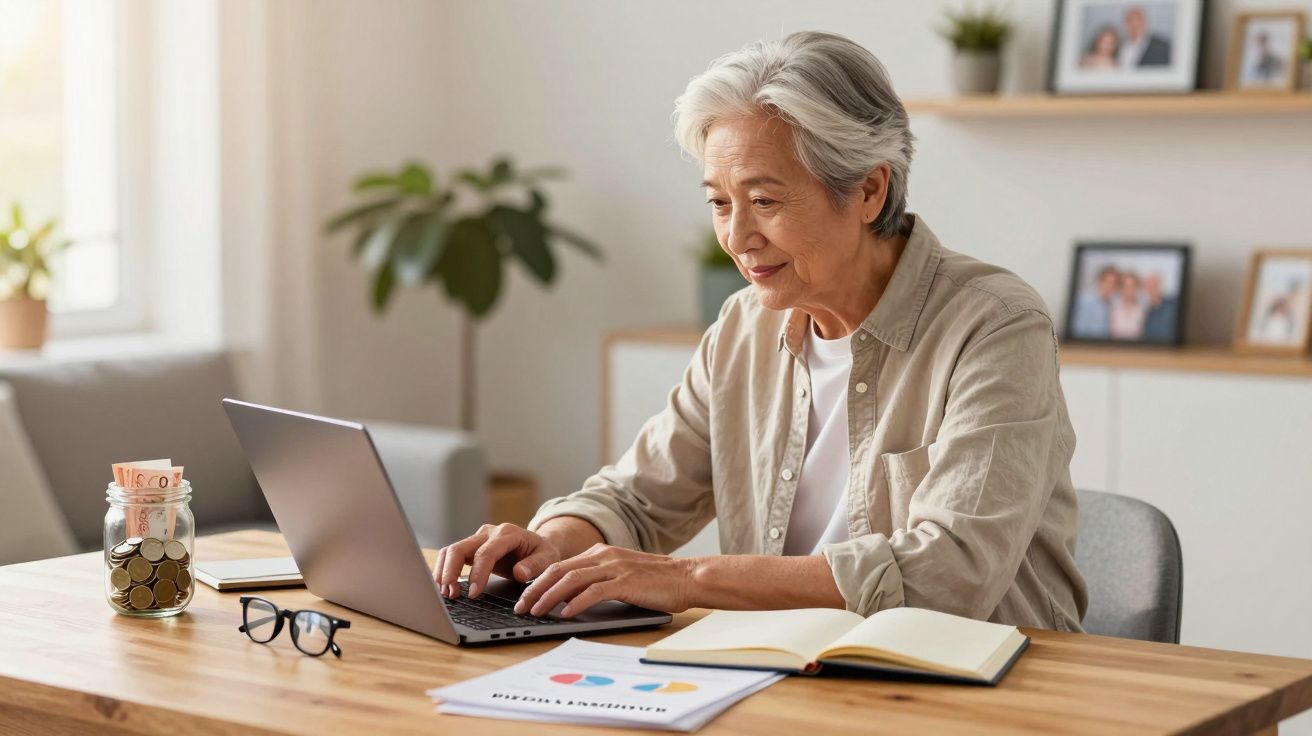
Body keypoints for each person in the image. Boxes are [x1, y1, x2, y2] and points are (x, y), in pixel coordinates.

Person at [434, 31, 1088, 632]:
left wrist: (686, 579)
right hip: (788, 674)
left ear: (867, 191)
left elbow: (951, 572)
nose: (737, 238)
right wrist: (552, 541)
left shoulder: (995, 326)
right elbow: (637, 499)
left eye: (766, 201)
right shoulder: (745, 326)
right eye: (719, 202)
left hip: (984, 689)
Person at [1073, 265, 1119, 338]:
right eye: (1107, 282)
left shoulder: (1112, 305)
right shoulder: (1085, 302)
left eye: (1113, 283)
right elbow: (1078, 330)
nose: (1109, 286)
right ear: (1099, 282)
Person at [1142, 272, 1179, 342]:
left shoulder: (1173, 304)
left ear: (1160, 285)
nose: (1151, 289)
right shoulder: (1145, 309)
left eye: (1154, 285)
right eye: (1148, 286)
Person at [1110, 270, 1147, 339]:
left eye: (1132, 286)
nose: (1129, 290)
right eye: (1126, 286)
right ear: (1121, 288)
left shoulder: (1143, 310)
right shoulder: (1113, 307)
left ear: (1137, 288)